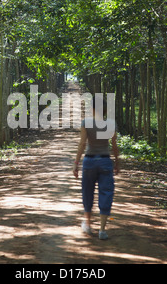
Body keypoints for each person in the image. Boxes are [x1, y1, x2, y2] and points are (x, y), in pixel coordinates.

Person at [73, 97, 119, 240]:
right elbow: (114, 145)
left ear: (92, 109)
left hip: (90, 161)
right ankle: (102, 230)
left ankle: (87, 224)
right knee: (106, 193)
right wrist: (117, 162)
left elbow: (82, 144)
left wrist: (76, 163)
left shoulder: (86, 123)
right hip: (105, 161)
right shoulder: (110, 123)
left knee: (88, 193)